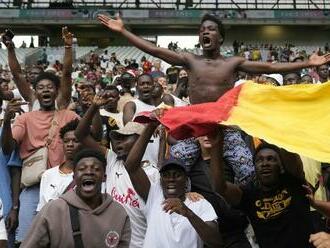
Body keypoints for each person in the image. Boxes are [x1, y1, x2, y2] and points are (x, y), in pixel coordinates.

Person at [0, 72, 80, 243]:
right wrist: (7, 121)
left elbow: (91, 136)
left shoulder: (69, 116)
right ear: (35, 93)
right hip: (33, 187)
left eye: (50, 87)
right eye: (41, 88)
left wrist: (93, 109)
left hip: (65, 184)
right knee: (27, 240)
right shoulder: (24, 118)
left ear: (57, 91)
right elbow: (7, 149)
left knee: (64, 240)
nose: (45, 90)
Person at [75, 94, 159, 248]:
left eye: (125, 137)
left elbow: (133, 168)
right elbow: (80, 135)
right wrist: (94, 107)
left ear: (141, 140)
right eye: (117, 137)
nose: (118, 141)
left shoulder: (152, 173)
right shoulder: (113, 160)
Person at [123, 117, 222, 247]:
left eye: (177, 175)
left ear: (186, 180)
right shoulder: (154, 196)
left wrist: (187, 212)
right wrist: (151, 126)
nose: (171, 179)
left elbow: (216, 242)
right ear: (160, 180)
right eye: (166, 175)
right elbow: (131, 166)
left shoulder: (200, 204)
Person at [211, 132, 314, 248]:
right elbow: (220, 188)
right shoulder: (249, 194)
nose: (265, 163)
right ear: (254, 168)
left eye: (271, 159)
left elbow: (290, 156)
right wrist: (216, 146)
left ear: (281, 167)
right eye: (259, 160)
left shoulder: (292, 182)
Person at [21, 148, 131, 248]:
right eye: (82, 169)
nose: (89, 172)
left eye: (96, 169)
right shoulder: (53, 210)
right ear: (74, 177)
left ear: (104, 177)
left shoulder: (119, 213)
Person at [37, 119, 82, 211]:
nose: (70, 144)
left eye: (75, 141)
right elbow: (42, 209)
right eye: (66, 141)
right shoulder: (48, 175)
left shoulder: (88, 175)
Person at [123, 73, 160, 165]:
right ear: (137, 87)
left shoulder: (160, 108)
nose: (145, 86)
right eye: (142, 84)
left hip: (157, 160)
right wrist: (149, 126)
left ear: (153, 86)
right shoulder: (132, 105)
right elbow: (128, 127)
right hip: (139, 161)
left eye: (148, 83)